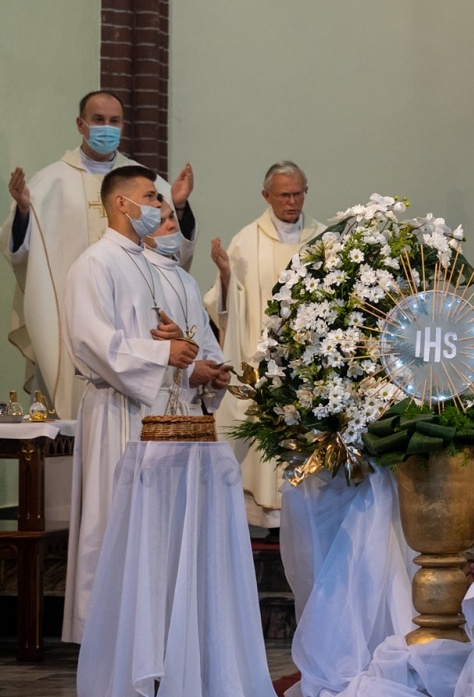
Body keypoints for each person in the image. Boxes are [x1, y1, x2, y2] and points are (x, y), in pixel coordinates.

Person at [59, 166, 225, 644]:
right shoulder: (96, 264)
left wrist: (191, 360)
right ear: (121, 204)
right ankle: (111, 640)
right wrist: (164, 355)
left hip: (156, 412)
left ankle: (156, 637)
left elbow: (170, 337)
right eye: (151, 198)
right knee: (118, 525)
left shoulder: (143, 264)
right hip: (118, 412)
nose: (158, 207)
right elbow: (92, 344)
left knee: (157, 533)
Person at [5, 90, 197, 420]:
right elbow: (22, 255)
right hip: (75, 319)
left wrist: (178, 206)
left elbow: (172, 251)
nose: (106, 128)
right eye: (98, 120)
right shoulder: (49, 182)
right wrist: (24, 212)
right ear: (81, 124)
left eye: (114, 121)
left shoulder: (144, 180)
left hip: (133, 319)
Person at [206, 161, 325, 527]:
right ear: (266, 196)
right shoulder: (246, 240)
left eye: (298, 193)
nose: (292, 201)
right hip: (267, 365)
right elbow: (227, 309)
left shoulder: (323, 239)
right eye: (284, 194)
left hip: (311, 366)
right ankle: (267, 521)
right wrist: (226, 276)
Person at [145, 198, 229, 416]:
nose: (171, 225)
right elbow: (146, 344)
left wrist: (216, 373)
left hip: (190, 409)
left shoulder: (186, 279)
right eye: (160, 221)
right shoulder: (141, 276)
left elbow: (204, 336)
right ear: (142, 229)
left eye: (171, 216)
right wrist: (189, 371)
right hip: (156, 410)